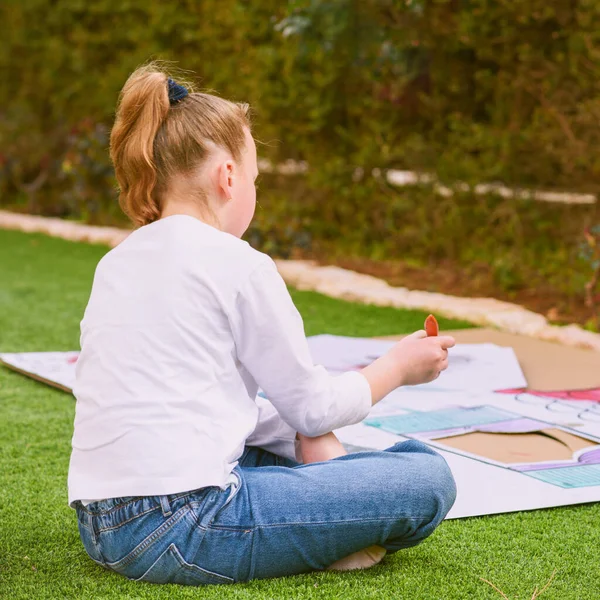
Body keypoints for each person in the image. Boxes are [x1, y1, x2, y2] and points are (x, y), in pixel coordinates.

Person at [68, 62, 457, 585]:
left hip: (100, 526)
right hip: (184, 525)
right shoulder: (239, 263)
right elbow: (316, 407)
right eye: (255, 178)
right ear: (228, 177)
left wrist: (300, 429)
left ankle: (333, 515)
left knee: (292, 440)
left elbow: (208, 406)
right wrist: (397, 366)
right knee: (426, 477)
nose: (254, 188)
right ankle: (335, 532)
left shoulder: (116, 261)